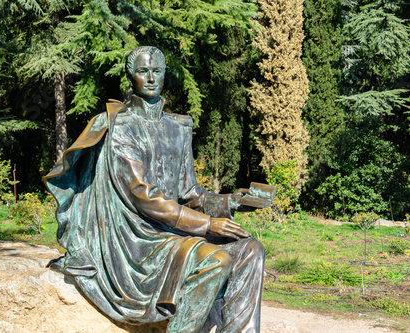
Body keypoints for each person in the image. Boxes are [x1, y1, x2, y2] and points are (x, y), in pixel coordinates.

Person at [44, 46, 265, 333]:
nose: (150, 78)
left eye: (157, 71)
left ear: (164, 75)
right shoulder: (122, 126)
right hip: (138, 237)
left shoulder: (177, 127)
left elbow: (190, 193)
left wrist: (231, 202)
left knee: (251, 250)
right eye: (142, 71)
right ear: (131, 77)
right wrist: (209, 224)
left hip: (174, 230)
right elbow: (144, 197)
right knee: (217, 260)